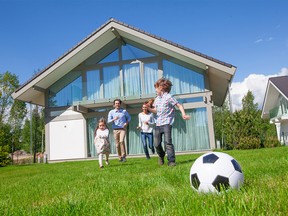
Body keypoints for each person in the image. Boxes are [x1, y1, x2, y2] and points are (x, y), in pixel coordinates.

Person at [147, 78, 190, 166]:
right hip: (158, 124)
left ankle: (171, 161)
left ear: (161, 88)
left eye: (156, 88)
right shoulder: (157, 99)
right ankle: (161, 155)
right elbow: (156, 110)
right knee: (156, 144)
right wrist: (149, 109)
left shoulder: (169, 97)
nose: (155, 90)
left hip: (167, 123)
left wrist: (183, 114)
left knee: (168, 142)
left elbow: (179, 105)